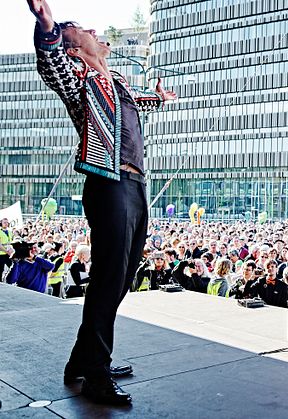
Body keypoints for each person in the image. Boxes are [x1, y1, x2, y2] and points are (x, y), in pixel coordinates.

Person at [26, 0, 178, 404]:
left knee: (122, 276)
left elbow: (137, 104)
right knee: (110, 276)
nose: (94, 30)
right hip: (108, 183)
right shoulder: (76, 79)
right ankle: (95, 373)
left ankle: (83, 359)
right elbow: (49, 62)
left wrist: (159, 99)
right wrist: (48, 26)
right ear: (74, 48)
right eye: (81, 29)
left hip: (135, 183)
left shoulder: (119, 83)